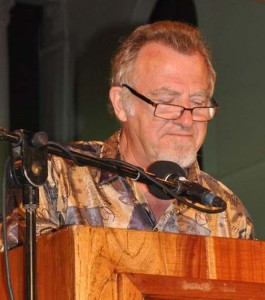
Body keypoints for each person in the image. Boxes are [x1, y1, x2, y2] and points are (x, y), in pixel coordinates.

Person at [0, 20, 254, 251]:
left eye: (198, 102)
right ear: (122, 103)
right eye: (167, 102)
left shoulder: (226, 211)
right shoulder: (56, 178)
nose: (186, 120)